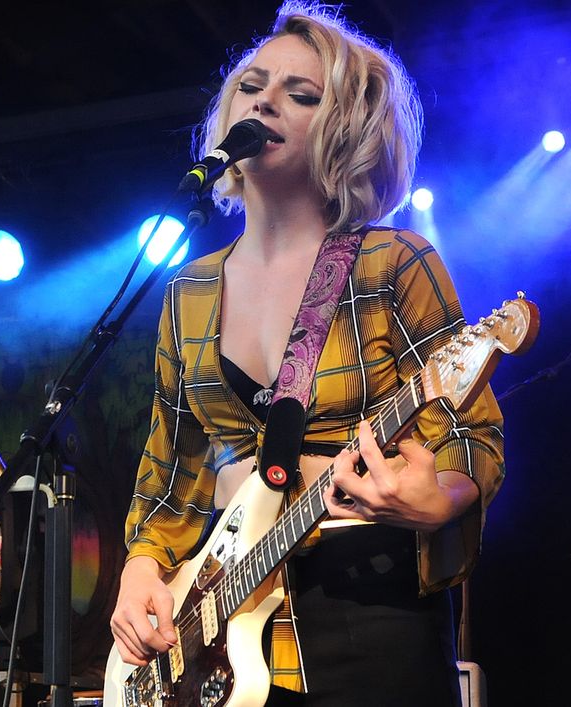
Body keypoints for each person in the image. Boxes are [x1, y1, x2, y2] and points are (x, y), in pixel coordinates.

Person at [110, 3, 505, 705]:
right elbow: (171, 469)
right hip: (227, 633)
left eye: (302, 93)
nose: (266, 99)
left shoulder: (392, 263)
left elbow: (472, 434)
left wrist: (438, 496)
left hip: (368, 607)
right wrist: (142, 565)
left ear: (346, 130)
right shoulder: (188, 291)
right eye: (252, 84)